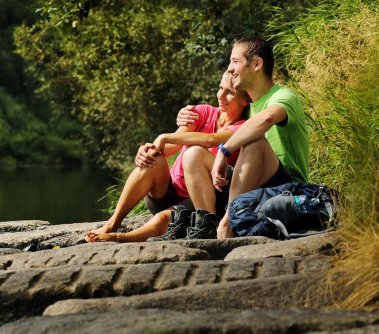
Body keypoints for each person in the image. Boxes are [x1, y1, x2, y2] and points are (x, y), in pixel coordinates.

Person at [85, 71, 250, 243]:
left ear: (246, 100)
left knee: (162, 219)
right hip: (167, 191)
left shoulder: (242, 128)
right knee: (154, 158)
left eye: (229, 92)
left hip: (199, 201)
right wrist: (149, 149)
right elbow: (171, 146)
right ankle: (113, 223)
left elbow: (210, 140)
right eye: (220, 88)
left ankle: (119, 237)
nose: (221, 95)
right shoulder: (203, 112)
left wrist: (164, 137)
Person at [177, 37, 309, 239]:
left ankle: (227, 225)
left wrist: (224, 150)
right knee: (194, 154)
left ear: (257, 64)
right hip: (250, 184)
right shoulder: (246, 109)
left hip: (285, 186)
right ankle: (206, 225)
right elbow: (216, 118)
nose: (229, 69)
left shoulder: (283, 96)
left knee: (253, 140)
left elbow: (267, 118)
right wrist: (186, 114)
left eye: (235, 61)